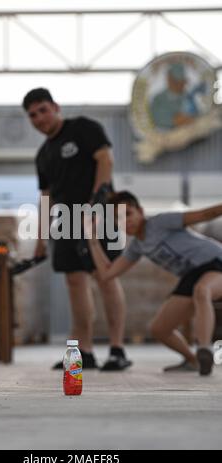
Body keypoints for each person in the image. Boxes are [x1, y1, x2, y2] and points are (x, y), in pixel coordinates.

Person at [22, 88, 132, 371]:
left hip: (99, 212)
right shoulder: (43, 154)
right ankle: (85, 351)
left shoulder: (83, 128)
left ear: (55, 107)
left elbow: (105, 160)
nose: (39, 118)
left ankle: (118, 349)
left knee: (106, 277)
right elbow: (46, 196)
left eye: (43, 110)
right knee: (75, 282)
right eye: (32, 115)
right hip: (66, 219)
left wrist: (97, 204)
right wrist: (41, 238)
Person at [85, 191, 222, 376]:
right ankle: (193, 360)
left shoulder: (160, 222)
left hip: (216, 262)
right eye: (118, 219)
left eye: (128, 214)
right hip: (192, 275)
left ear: (140, 211)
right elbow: (107, 273)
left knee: (202, 290)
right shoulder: (137, 246)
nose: (126, 221)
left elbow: (204, 214)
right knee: (159, 329)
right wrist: (92, 238)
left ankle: (204, 349)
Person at [150, 63, 204, 130]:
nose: (180, 85)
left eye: (181, 82)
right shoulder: (158, 99)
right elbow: (156, 118)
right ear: (169, 80)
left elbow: (197, 116)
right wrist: (174, 120)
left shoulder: (188, 97)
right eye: (177, 82)